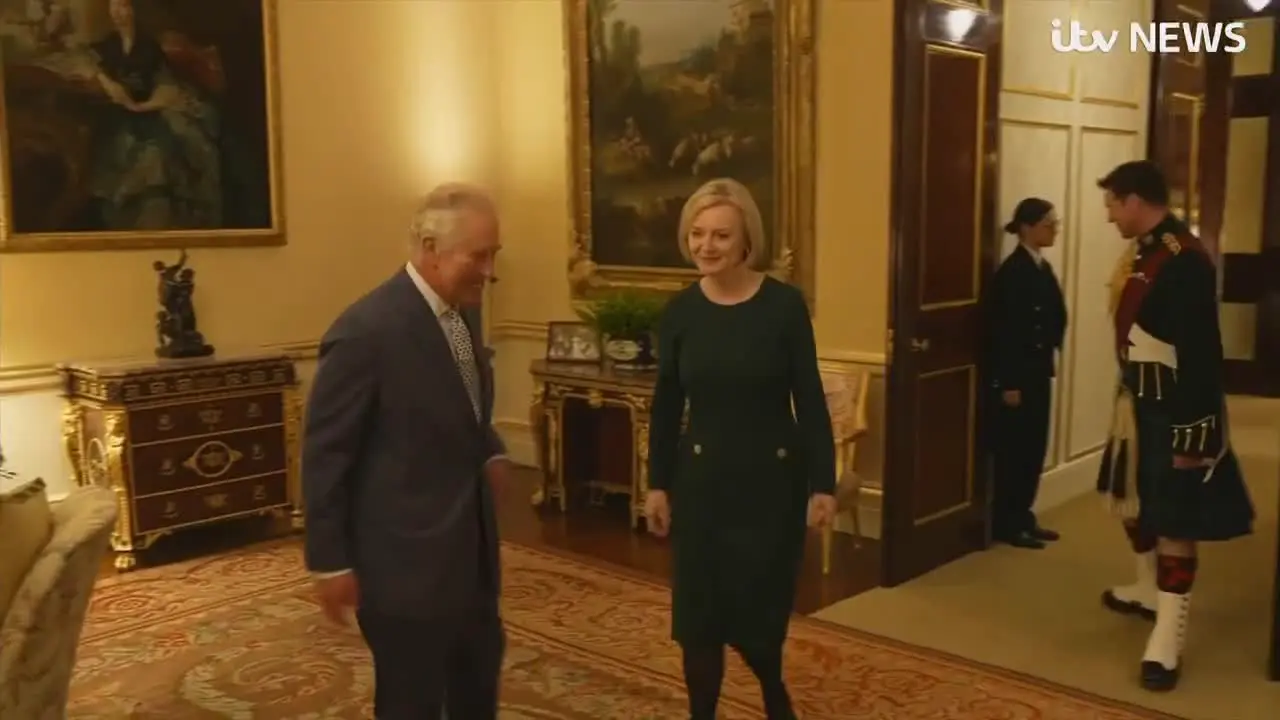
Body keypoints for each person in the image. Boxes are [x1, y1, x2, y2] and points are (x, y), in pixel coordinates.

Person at [302, 183, 512, 718]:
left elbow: (461, 405)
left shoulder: (463, 313)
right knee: (411, 703)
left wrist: (489, 449)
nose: (490, 271)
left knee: (476, 689)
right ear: (430, 248)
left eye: (494, 254)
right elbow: (326, 455)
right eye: (478, 256)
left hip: (471, 557)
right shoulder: (365, 333)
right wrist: (329, 562)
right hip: (403, 570)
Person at [643, 178, 837, 720]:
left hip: (770, 487)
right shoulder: (681, 312)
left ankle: (773, 691)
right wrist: (657, 484)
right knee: (699, 620)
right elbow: (666, 404)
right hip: (701, 487)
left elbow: (809, 399)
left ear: (747, 238)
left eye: (721, 235)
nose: (706, 245)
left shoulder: (784, 307)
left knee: (758, 617)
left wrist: (823, 483)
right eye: (697, 233)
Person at [1094, 161, 1254, 692]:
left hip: (1174, 412)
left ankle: (1167, 635)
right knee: (1133, 501)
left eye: (1112, 204)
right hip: (1137, 405)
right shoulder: (1146, 251)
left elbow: (1202, 354)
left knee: (1175, 522)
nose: (1109, 216)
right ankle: (1146, 588)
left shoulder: (1183, 260)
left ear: (1135, 200)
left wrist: (1195, 435)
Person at [986, 198, 1068, 549]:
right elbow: (1002, 332)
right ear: (1027, 227)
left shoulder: (1041, 268)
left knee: (1034, 448)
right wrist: (1008, 382)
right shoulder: (1012, 272)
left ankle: (1024, 515)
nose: (1054, 230)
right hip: (1017, 377)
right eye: (1049, 224)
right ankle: (1008, 521)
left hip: (1037, 372)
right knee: (1014, 452)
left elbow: (1056, 315)